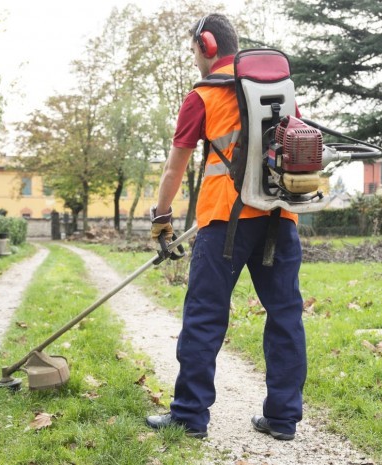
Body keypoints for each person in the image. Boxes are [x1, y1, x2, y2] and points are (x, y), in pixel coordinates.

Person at [146, 13, 306, 441]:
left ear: (207, 45)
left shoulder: (203, 94)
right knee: (286, 316)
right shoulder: (279, 90)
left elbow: (175, 164)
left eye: (194, 49)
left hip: (223, 223)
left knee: (204, 316)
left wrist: (162, 217)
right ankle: (283, 418)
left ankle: (190, 416)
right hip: (279, 217)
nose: (195, 58)